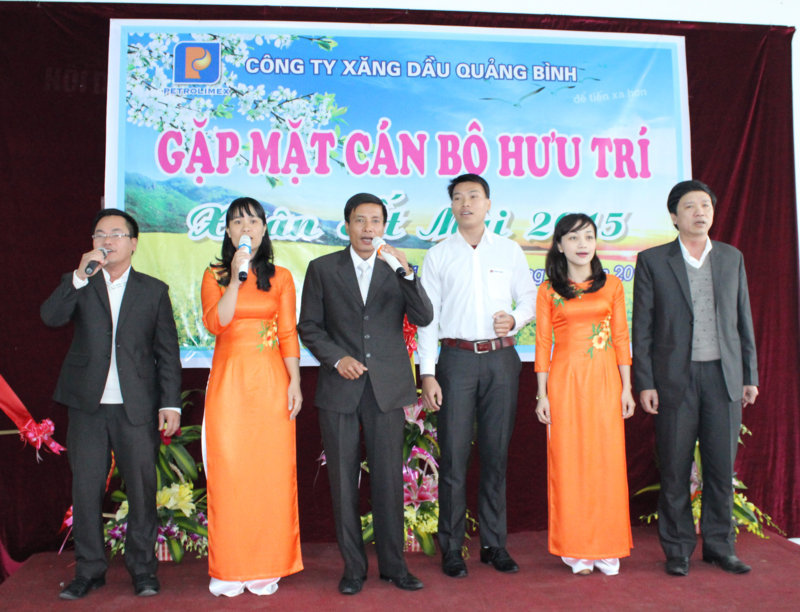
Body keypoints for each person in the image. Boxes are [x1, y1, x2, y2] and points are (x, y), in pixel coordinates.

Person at [41, 209, 181, 600]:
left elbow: (167, 353)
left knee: (141, 490)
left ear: (133, 243)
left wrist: (171, 403)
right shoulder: (80, 282)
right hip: (87, 407)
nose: (108, 240)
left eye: (117, 234)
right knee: (85, 490)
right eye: (100, 234)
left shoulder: (154, 291)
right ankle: (89, 570)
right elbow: (50, 316)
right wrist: (78, 276)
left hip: (136, 406)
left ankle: (143, 570)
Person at [298, 193, 433, 595]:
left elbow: (424, 316)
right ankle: (353, 569)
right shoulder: (323, 268)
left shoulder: (396, 269)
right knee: (343, 482)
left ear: (384, 227)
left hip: (386, 389)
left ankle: (394, 566)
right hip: (340, 387)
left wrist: (406, 273)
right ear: (347, 225)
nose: (368, 228)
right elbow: (309, 326)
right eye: (360, 220)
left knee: (389, 480)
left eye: (375, 221)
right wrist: (337, 358)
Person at [632, 180, 759, 576]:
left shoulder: (731, 257)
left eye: (706, 205)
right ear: (674, 216)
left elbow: (743, 320)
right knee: (674, 468)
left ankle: (721, 547)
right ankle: (678, 549)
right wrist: (645, 382)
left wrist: (749, 375)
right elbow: (643, 328)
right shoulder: (653, 261)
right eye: (690, 206)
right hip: (675, 381)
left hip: (723, 378)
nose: (700, 212)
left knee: (720, 469)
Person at [418, 174, 536, 578]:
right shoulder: (438, 255)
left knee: (495, 455)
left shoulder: (509, 250)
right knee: (453, 456)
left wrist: (516, 318)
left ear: (488, 203)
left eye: (473, 196)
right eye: (457, 197)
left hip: (501, 360)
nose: (465, 203)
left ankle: (493, 544)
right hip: (456, 361)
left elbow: (530, 297)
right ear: (451, 206)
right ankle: (451, 548)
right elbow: (427, 319)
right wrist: (428, 373)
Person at [201, 197, 303, 596]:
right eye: (238, 221)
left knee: (269, 475)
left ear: (264, 229)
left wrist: (294, 382)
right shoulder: (214, 275)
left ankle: (267, 564)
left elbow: (288, 333)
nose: (246, 227)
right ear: (228, 232)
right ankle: (229, 568)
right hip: (228, 384)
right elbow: (216, 322)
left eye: (254, 220)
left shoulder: (282, 277)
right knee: (229, 475)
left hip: (271, 383)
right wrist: (234, 278)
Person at [534, 214, 635, 576]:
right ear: (560, 245)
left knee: (606, 462)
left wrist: (627, 387)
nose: (582, 244)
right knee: (570, 463)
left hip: (606, 382)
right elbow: (542, 343)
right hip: (565, 383)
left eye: (589, 237)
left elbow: (621, 338)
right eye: (574, 237)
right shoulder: (548, 291)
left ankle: (608, 546)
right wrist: (541, 394)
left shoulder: (612, 286)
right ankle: (576, 548)